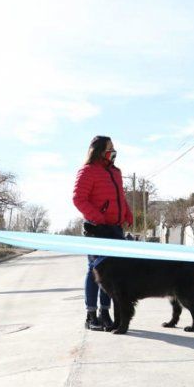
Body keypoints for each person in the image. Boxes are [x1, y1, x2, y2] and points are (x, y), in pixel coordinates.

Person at [73, 135, 133, 331]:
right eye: (110, 148)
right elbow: (79, 199)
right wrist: (98, 218)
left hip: (115, 229)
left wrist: (127, 213)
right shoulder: (88, 171)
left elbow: (120, 198)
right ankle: (91, 315)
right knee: (95, 271)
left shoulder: (115, 172)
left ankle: (105, 312)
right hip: (96, 229)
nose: (113, 151)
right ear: (99, 150)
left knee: (113, 274)